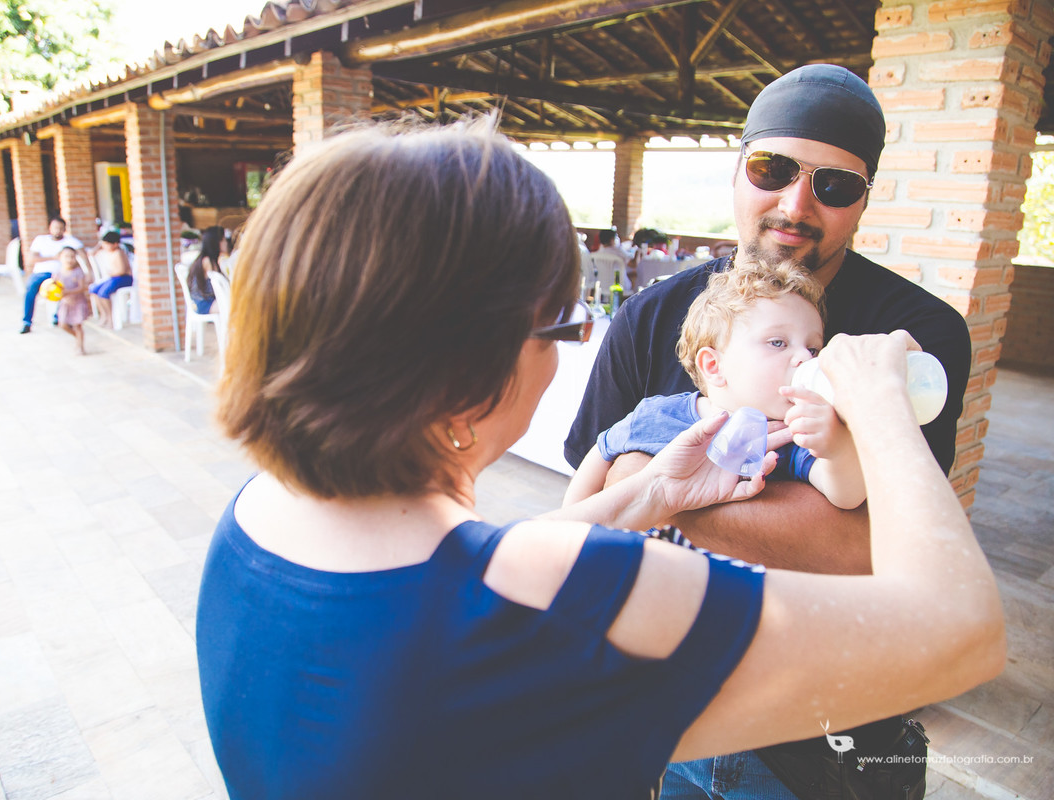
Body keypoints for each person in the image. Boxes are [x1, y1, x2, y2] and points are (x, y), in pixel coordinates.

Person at [195, 119, 1003, 800]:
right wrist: (880, 409)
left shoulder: (253, 520)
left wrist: (649, 495)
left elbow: (485, 574)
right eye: (562, 324)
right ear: (471, 368)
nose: (562, 354)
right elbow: (959, 634)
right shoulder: (569, 595)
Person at [564, 64, 975, 798]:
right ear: (737, 169)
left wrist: (654, 493)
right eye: (772, 169)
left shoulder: (915, 337)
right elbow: (585, 507)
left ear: (864, 200)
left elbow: (879, 550)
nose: (795, 204)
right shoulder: (651, 316)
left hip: (817, 726)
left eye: (835, 185)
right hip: (663, 694)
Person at [566, 259, 864, 512]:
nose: (805, 358)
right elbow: (602, 451)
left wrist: (837, 448)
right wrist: (571, 527)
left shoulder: (792, 434)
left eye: (812, 348)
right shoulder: (660, 415)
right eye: (778, 342)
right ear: (713, 366)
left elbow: (847, 496)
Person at [21, 216, 87, 334]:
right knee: (31, 287)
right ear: (50, 228)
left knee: (67, 286)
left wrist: (89, 271)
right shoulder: (40, 240)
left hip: (62, 274)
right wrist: (54, 257)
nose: (58, 230)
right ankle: (27, 322)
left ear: (65, 229)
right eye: (55, 228)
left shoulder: (70, 241)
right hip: (41, 274)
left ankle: (59, 316)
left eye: (61, 228)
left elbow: (83, 255)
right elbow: (31, 259)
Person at [88, 230, 133, 327]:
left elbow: (122, 270)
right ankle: (104, 315)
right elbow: (92, 253)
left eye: (106, 244)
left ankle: (110, 317)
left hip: (123, 278)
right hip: (113, 278)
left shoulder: (118, 253)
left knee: (103, 292)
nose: (104, 246)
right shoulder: (108, 252)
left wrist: (111, 273)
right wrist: (99, 245)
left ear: (115, 244)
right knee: (93, 289)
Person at [53, 247, 91, 355]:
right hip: (65, 303)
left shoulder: (78, 272)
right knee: (62, 324)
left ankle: (80, 346)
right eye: (66, 256)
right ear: (60, 257)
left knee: (77, 325)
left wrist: (68, 292)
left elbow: (82, 287)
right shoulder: (58, 273)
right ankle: (78, 338)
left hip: (78, 303)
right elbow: (54, 287)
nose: (69, 259)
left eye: (72, 257)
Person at [187, 226, 224, 314]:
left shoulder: (206, 259)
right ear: (216, 243)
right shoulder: (208, 262)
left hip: (204, 301)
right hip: (204, 303)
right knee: (232, 305)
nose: (225, 243)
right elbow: (220, 285)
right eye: (223, 240)